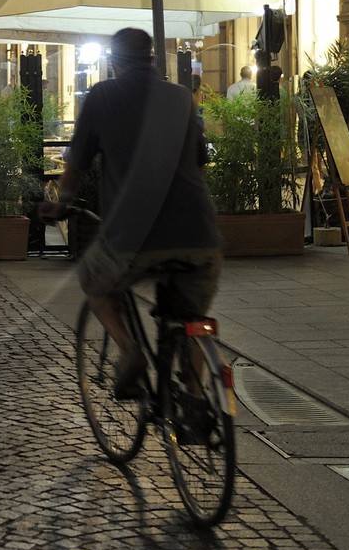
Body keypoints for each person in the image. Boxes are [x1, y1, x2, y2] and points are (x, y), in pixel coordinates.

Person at [47, 28, 221, 399]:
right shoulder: (180, 98)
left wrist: (62, 203)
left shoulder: (102, 95)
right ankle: (195, 396)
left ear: (113, 62)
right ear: (153, 59)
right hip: (199, 235)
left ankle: (129, 350)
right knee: (193, 318)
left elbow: (76, 164)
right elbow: (201, 162)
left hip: (134, 236)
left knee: (93, 280)